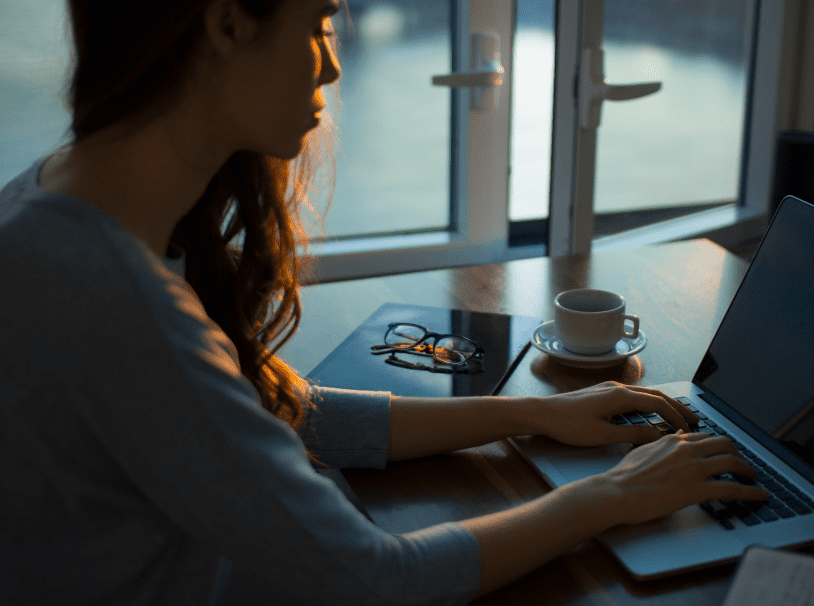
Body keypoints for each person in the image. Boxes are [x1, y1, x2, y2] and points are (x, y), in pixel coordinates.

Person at [0, 0, 769, 604]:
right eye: (320, 22)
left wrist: (529, 415)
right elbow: (379, 581)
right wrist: (609, 496)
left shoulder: (52, 202)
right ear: (228, 22)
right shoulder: (115, 300)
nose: (331, 65)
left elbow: (266, 412)